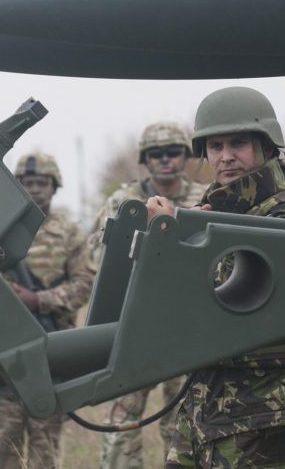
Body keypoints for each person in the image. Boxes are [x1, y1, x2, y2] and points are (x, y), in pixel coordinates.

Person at [149, 86, 285, 469]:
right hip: (201, 406)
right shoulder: (215, 213)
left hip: (257, 413)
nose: (225, 156)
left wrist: (175, 240)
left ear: (266, 146)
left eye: (238, 143)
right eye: (215, 146)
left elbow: (259, 314)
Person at [97, 122, 207, 469]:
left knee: (183, 420)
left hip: (186, 324)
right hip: (134, 322)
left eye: (173, 152)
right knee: (120, 420)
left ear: (185, 156)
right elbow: (101, 259)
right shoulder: (122, 200)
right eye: (156, 154)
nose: (165, 160)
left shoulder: (205, 198)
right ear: (145, 159)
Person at [0, 152, 94, 469]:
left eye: (42, 182)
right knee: (3, 450)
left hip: (52, 353)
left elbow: (85, 284)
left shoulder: (69, 232)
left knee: (45, 451)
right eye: (27, 183)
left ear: (54, 187)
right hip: (4, 353)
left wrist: (38, 300)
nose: (35, 189)